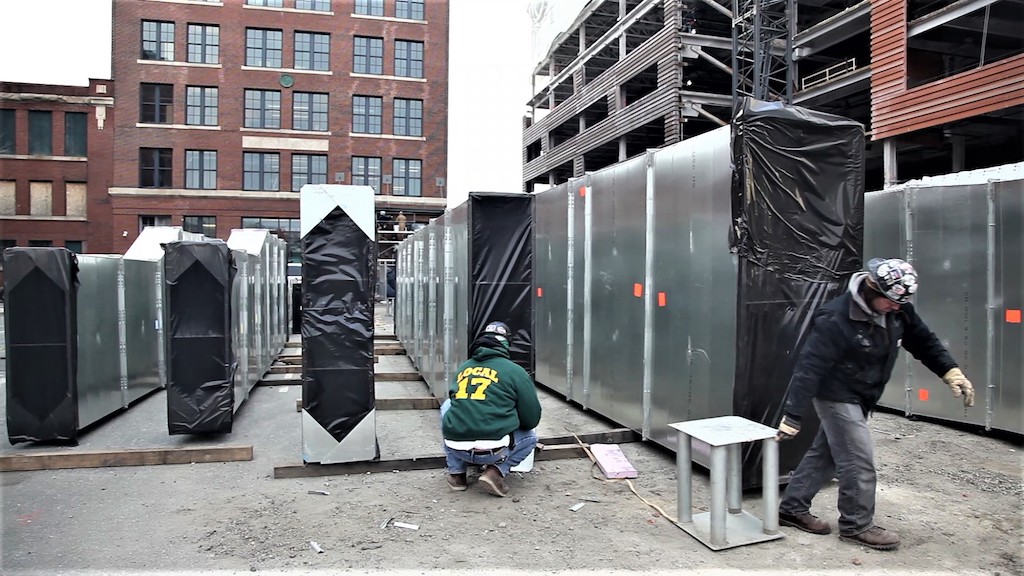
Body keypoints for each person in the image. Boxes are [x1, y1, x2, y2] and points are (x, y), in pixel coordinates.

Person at [775, 258, 974, 551]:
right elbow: (809, 367)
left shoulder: (897, 307)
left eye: (900, 304)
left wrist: (950, 371)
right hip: (836, 394)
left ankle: (792, 508)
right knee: (858, 459)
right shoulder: (835, 318)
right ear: (871, 287)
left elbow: (923, 341)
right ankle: (856, 525)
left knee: (827, 453)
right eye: (891, 302)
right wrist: (793, 414)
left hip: (864, 394)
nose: (896, 308)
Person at [440, 321, 542, 497]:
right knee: (531, 438)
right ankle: (495, 472)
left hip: (457, 447)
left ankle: (457, 475)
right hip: (495, 451)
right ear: (506, 345)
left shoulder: (464, 368)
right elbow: (531, 419)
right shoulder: (515, 371)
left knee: (448, 407)